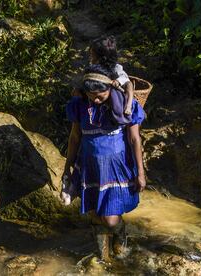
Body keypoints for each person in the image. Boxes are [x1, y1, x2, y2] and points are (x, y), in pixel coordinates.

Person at [62, 64, 146, 262]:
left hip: (117, 168)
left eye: (101, 95)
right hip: (90, 166)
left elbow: (135, 139)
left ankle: (120, 232)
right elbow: (75, 137)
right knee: (94, 214)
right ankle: (102, 258)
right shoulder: (80, 105)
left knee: (110, 219)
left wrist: (140, 172)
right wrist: (68, 168)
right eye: (92, 95)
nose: (96, 99)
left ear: (112, 88)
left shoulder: (126, 105)